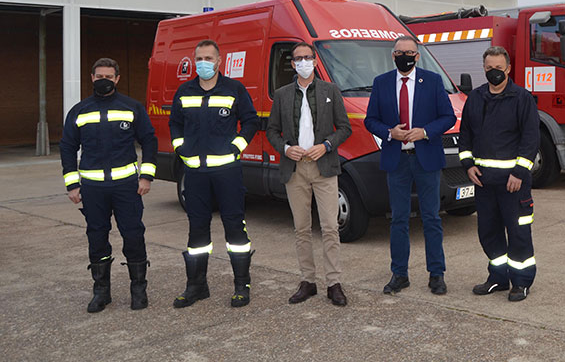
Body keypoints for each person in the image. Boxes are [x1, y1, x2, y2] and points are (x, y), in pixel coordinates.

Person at [59, 57, 158, 312]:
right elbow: (68, 147)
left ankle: (139, 291)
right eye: (99, 76)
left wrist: (146, 176)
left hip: (126, 187)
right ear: (92, 78)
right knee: (97, 238)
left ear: (117, 79)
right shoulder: (80, 111)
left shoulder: (131, 107)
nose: (104, 81)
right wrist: (72, 184)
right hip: (93, 189)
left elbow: (149, 141)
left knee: (133, 235)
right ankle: (101, 292)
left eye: (109, 77)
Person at [169, 39, 260, 308]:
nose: (203, 63)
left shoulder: (234, 89)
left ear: (219, 61)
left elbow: (251, 121)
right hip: (195, 173)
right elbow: (175, 122)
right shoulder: (184, 91)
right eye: (199, 58)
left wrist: (236, 148)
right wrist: (180, 147)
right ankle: (196, 286)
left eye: (209, 58)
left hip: (227, 172)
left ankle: (241, 285)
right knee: (197, 231)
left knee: (235, 228)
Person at [365, 35, 456, 295]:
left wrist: (425, 132)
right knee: (398, 219)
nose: (405, 56)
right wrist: (389, 132)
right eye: (400, 52)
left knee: (431, 218)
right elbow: (371, 120)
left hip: (426, 157)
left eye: (410, 52)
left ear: (417, 56)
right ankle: (399, 274)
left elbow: (448, 116)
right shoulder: (381, 83)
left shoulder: (433, 81)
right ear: (393, 56)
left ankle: (436, 274)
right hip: (397, 160)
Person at [266, 41, 352, 306]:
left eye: (307, 57)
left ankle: (334, 282)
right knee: (301, 228)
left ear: (315, 61)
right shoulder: (281, 94)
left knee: (330, 227)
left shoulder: (331, 90)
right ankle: (308, 281)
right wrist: (285, 148)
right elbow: (271, 130)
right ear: (292, 64)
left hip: (323, 167)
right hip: (294, 168)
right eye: (298, 58)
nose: (303, 62)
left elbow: (344, 127)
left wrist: (325, 146)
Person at [459, 46, 539, 302]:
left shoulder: (522, 98)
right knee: (488, 232)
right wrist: (468, 164)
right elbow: (466, 135)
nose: (494, 73)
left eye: (499, 69)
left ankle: (521, 282)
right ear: (484, 69)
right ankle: (498, 278)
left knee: (518, 234)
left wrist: (518, 172)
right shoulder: (476, 98)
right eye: (489, 69)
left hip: (513, 184)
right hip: (484, 183)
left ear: (508, 69)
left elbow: (530, 139)